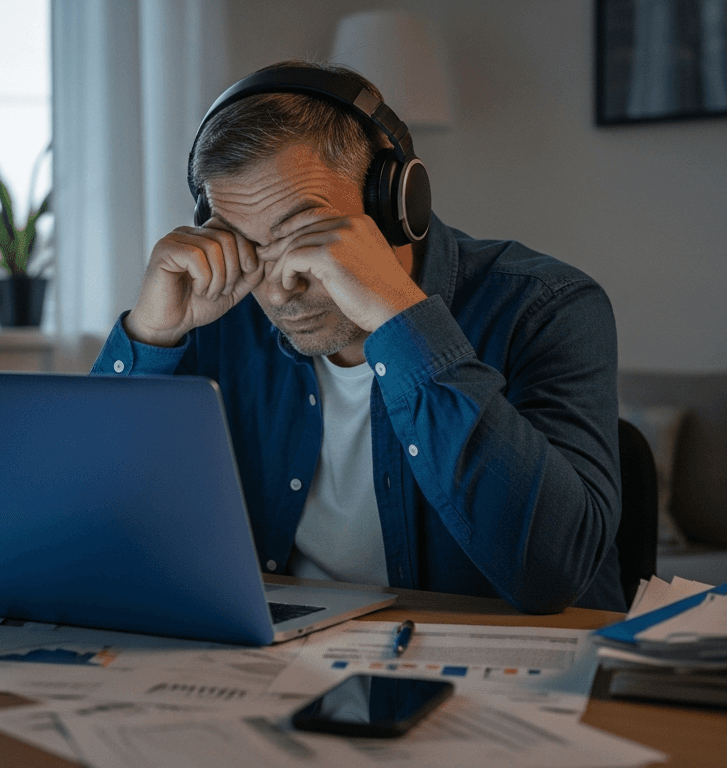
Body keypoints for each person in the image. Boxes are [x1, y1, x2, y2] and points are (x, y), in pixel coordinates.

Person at [91, 61, 624, 613]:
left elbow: (555, 575)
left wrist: (400, 319)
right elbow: (88, 533)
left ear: (397, 204)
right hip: (278, 676)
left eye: (306, 233)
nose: (277, 291)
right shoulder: (219, 315)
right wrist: (149, 338)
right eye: (244, 244)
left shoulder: (546, 306)